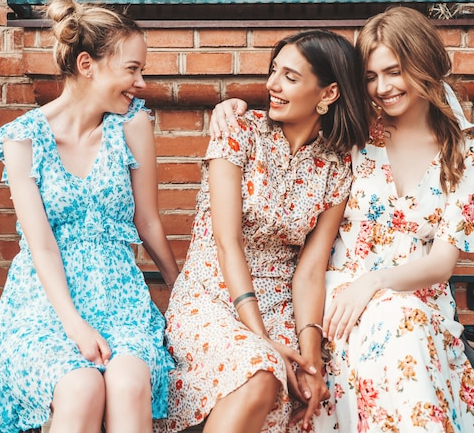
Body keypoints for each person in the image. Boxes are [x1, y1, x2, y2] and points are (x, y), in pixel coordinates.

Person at [210, 6, 474, 432]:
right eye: (370, 77)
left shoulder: (462, 156)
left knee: (401, 323)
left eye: (394, 72)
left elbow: (442, 264)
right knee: (397, 330)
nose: (382, 88)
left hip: (416, 299)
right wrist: (232, 107)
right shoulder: (355, 134)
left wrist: (376, 283)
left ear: (423, 65)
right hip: (339, 301)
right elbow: (294, 111)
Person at [0, 0, 179, 433]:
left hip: (120, 299)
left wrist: (179, 292)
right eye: (132, 69)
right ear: (87, 65)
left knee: (128, 383)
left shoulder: (132, 125)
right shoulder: (22, 140)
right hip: (45, 306)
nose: (141, 83)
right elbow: (42, 247)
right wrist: (76, 326)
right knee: (80, 386)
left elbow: (147, 222)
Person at [154, 29, 368, 433]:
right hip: (213, 297)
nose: (271, 84)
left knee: (306, 391)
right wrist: (261, 339)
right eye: (273, 71)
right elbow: (226, 241)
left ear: (328, 94)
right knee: (260, 371)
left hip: (281, 308)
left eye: (290, 76)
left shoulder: (337, 165)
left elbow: (310, 269)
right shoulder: (239, 131)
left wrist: (311, 357)